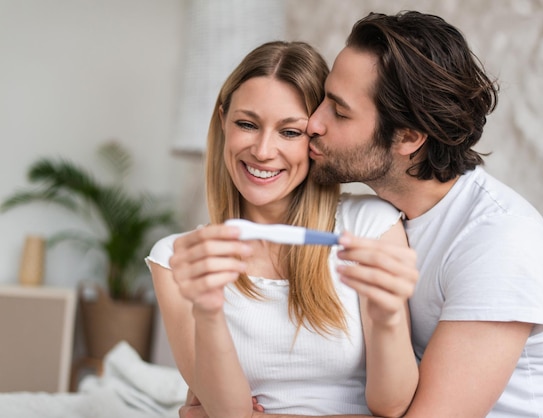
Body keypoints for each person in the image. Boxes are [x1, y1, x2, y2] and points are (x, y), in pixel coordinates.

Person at [180, 10, 543, 418]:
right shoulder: (383, 221)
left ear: (408, 138)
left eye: (339, 111)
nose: (313, 123)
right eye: (324, 97)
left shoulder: (499, 242)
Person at [146, 40, 419, 418]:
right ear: (223, 121)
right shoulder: (178, 259)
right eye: (247, 124)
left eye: (290, 132)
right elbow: (229, 413)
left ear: (316, 137)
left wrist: (388, 315)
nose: (262, 150)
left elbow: (391, 405)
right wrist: (208, 311)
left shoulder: (368, 225)